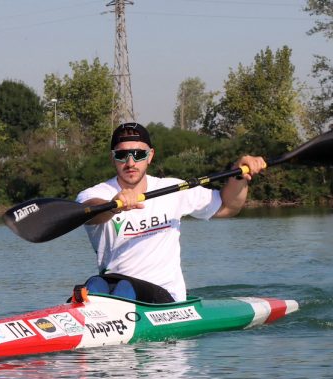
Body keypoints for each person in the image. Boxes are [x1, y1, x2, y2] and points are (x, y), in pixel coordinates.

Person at [75, 122, 266, 302]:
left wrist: (239, 175)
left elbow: (228, 206)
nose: (131, 162)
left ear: (150, 156)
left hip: (165, 295)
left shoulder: (173, 189)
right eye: (122, 154)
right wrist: (113, 206)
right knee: (96, 284)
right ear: (113, 157)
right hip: (113, 287)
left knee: (124, 287)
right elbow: (89, 212)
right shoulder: (96, 194)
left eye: (138, 154)